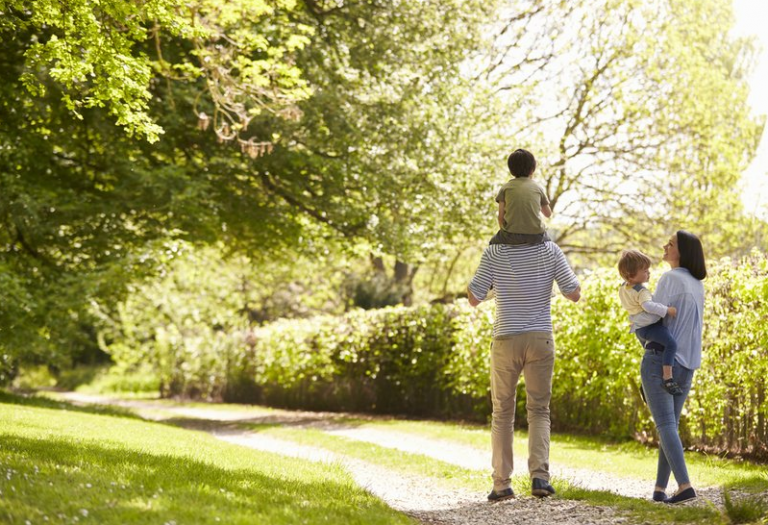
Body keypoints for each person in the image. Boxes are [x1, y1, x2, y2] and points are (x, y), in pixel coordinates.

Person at [467, 239, 581, 502]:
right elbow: (574, 293)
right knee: (539, 409)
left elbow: (473, 298)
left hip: (506, 338)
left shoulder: (495, 251)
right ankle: (540, 477)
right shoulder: (550, 249)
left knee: (502, 412)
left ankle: (501, 484)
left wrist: (497, 286)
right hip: (540, 338)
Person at [641, 231, 706, 504]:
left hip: (660, 360)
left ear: (683, 251)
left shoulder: (669, 278)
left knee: (666, 425)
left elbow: (651, 319)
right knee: (670, 428)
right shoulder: (697, 284)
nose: (665, 246)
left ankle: (684, 485)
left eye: (671, 243)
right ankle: (659, 489)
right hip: (687, 364)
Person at [618, 249, 683, 395]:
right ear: (631, 275)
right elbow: (648, 306)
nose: (649, 273)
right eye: (645, 271)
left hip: (638, 329)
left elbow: (632, 305)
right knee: (670, 344)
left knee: (651, 357)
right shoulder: (642, 291)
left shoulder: (624, 287)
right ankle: (668, 379)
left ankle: (645, 384)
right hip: (650, 327)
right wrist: (667, 310)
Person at [489, 148, 553, 245]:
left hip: (510, 235)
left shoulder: (505, 188)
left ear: (511, 170)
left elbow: (500, 217)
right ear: (532, 169)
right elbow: (548, 214)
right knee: (550, 244)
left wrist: (505, 233)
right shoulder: (538, 188)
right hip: (536, 236)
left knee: (492, 243)